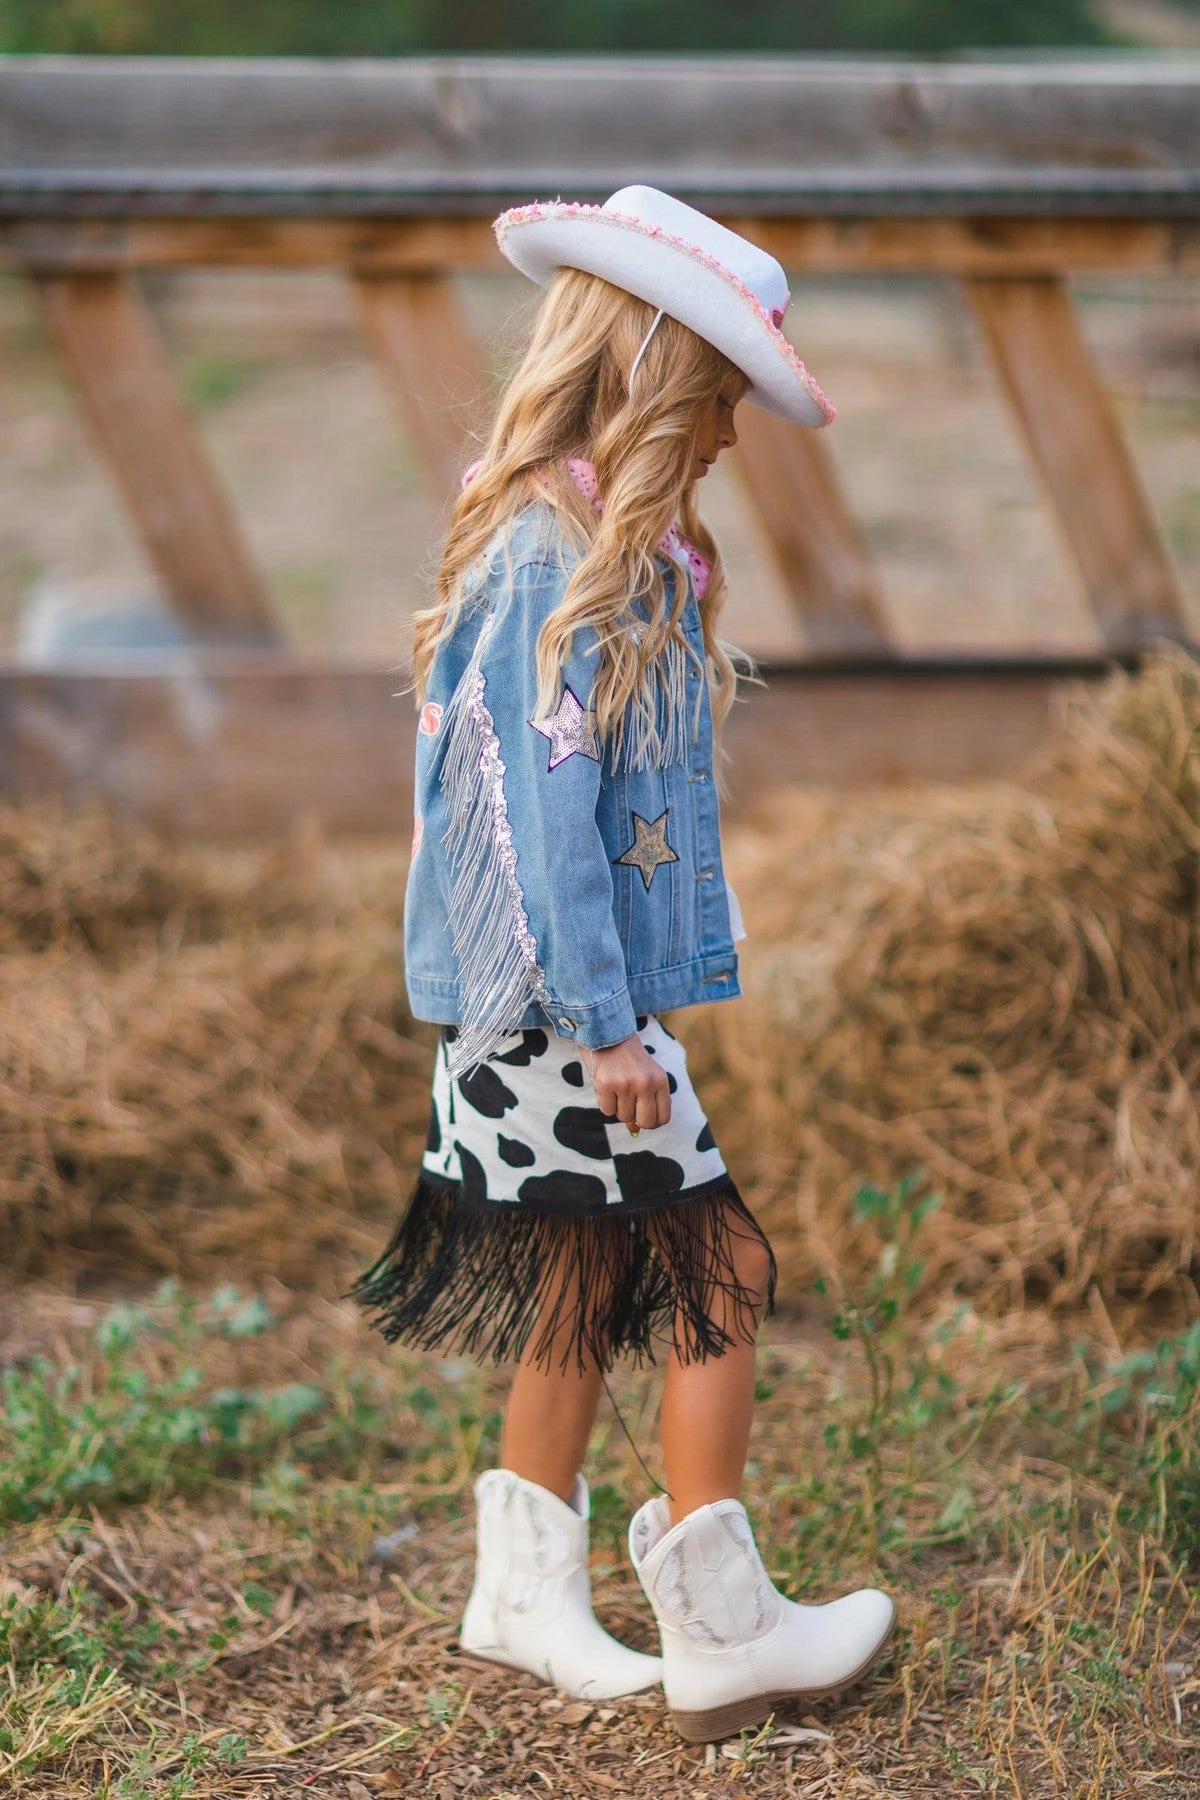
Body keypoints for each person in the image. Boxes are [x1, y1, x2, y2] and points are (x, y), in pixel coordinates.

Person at [353, 185, 895, 1743]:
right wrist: (606, 1027)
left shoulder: (600, 545)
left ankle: (523, 1590)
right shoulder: (547, 552)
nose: (730, 428)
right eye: (719, 392)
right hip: (553, 1009)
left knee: (588, 1275)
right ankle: (722, 1625)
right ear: (660, 369)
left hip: (554, 1008)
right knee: (717, 1265)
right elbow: (537, 820)